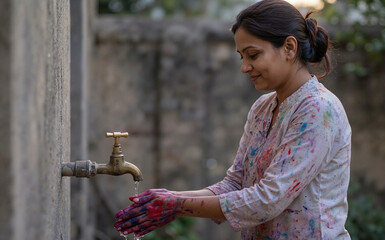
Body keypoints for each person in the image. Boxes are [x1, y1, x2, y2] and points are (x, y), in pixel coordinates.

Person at [114, 0, 352, 239]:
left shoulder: (319, 108)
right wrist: (172, 199)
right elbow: (235, 184)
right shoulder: (263, 107)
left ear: (289, 48)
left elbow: (268, 200)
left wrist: (179, 205)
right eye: (242, 57)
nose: (245, 67)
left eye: (253, 55)